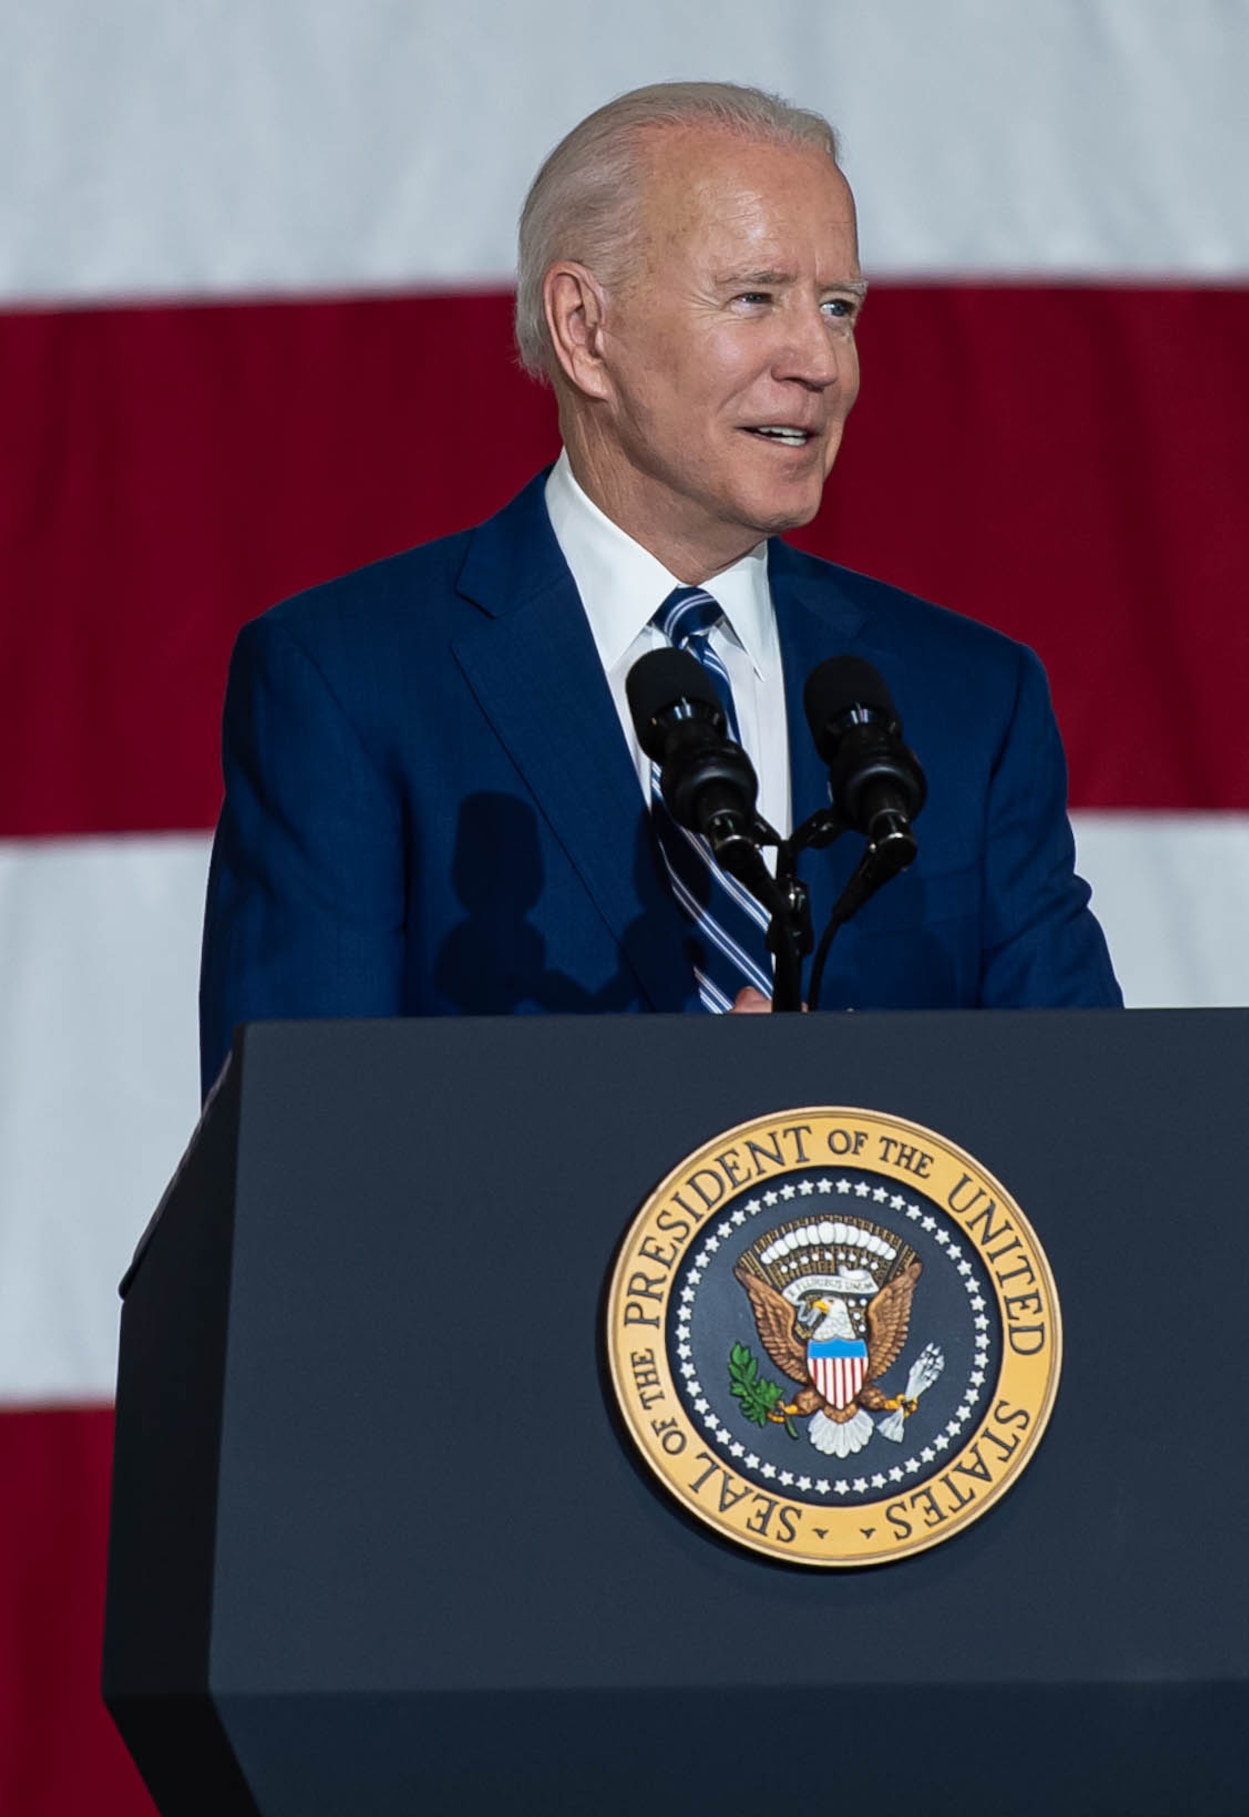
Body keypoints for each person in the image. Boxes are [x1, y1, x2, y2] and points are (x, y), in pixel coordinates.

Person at [197, 81, 1120, 1097]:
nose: (819, 361)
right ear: (585, 329)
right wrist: (683, 1121)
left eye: (839, 307)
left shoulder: (970, 699)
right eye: (754, 296)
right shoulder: (350, 682)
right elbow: (299, 1158)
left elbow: (1084, 1124)